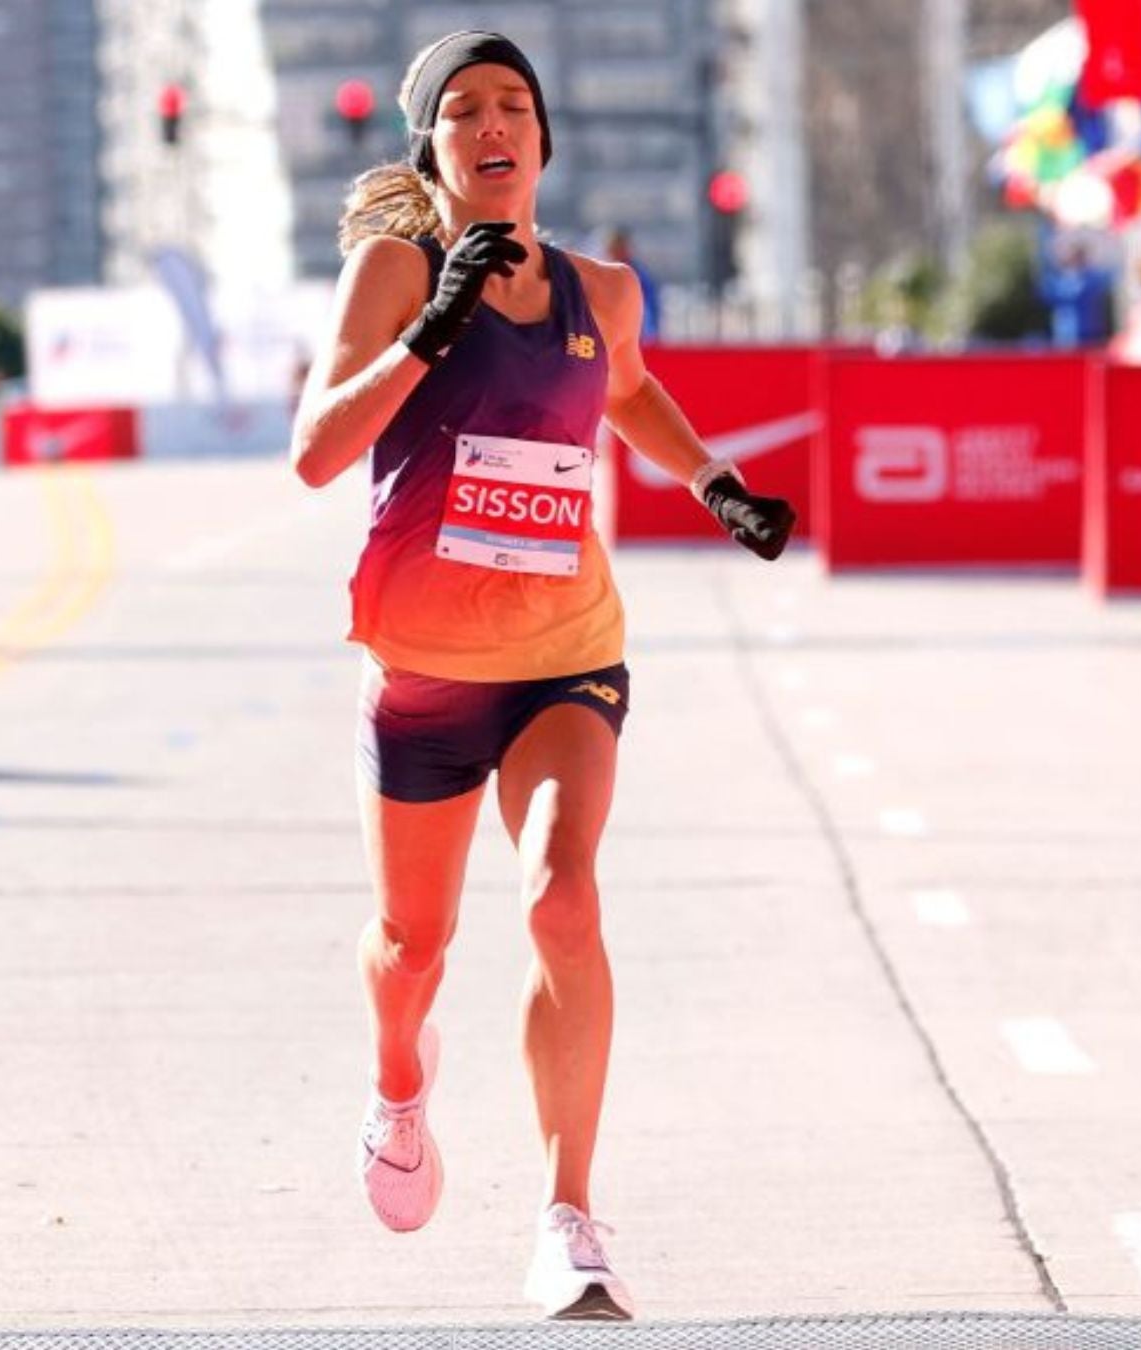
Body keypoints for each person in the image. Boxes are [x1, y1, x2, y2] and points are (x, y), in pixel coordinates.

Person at [286, 31, 796, 1322]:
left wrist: (713, 481)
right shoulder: (390, 270)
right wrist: (429, 330)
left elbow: (628, 386)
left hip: (566, 654)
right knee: (415, 946)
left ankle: (570, 1214)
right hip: (424, 669)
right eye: (462, 111)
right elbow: (312, 452)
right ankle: (400, 1081)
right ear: (433, 148)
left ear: (544, 141)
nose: (492, 123)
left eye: (514, 104)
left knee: (565, 896)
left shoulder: (601, 291)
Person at [601, 228, 661, 341]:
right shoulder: (603, 275)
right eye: (611, 249)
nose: (613, 253)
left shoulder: (639, 276)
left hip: (636, 339)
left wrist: (650, 336)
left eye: (617, 248)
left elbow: (651, 309)